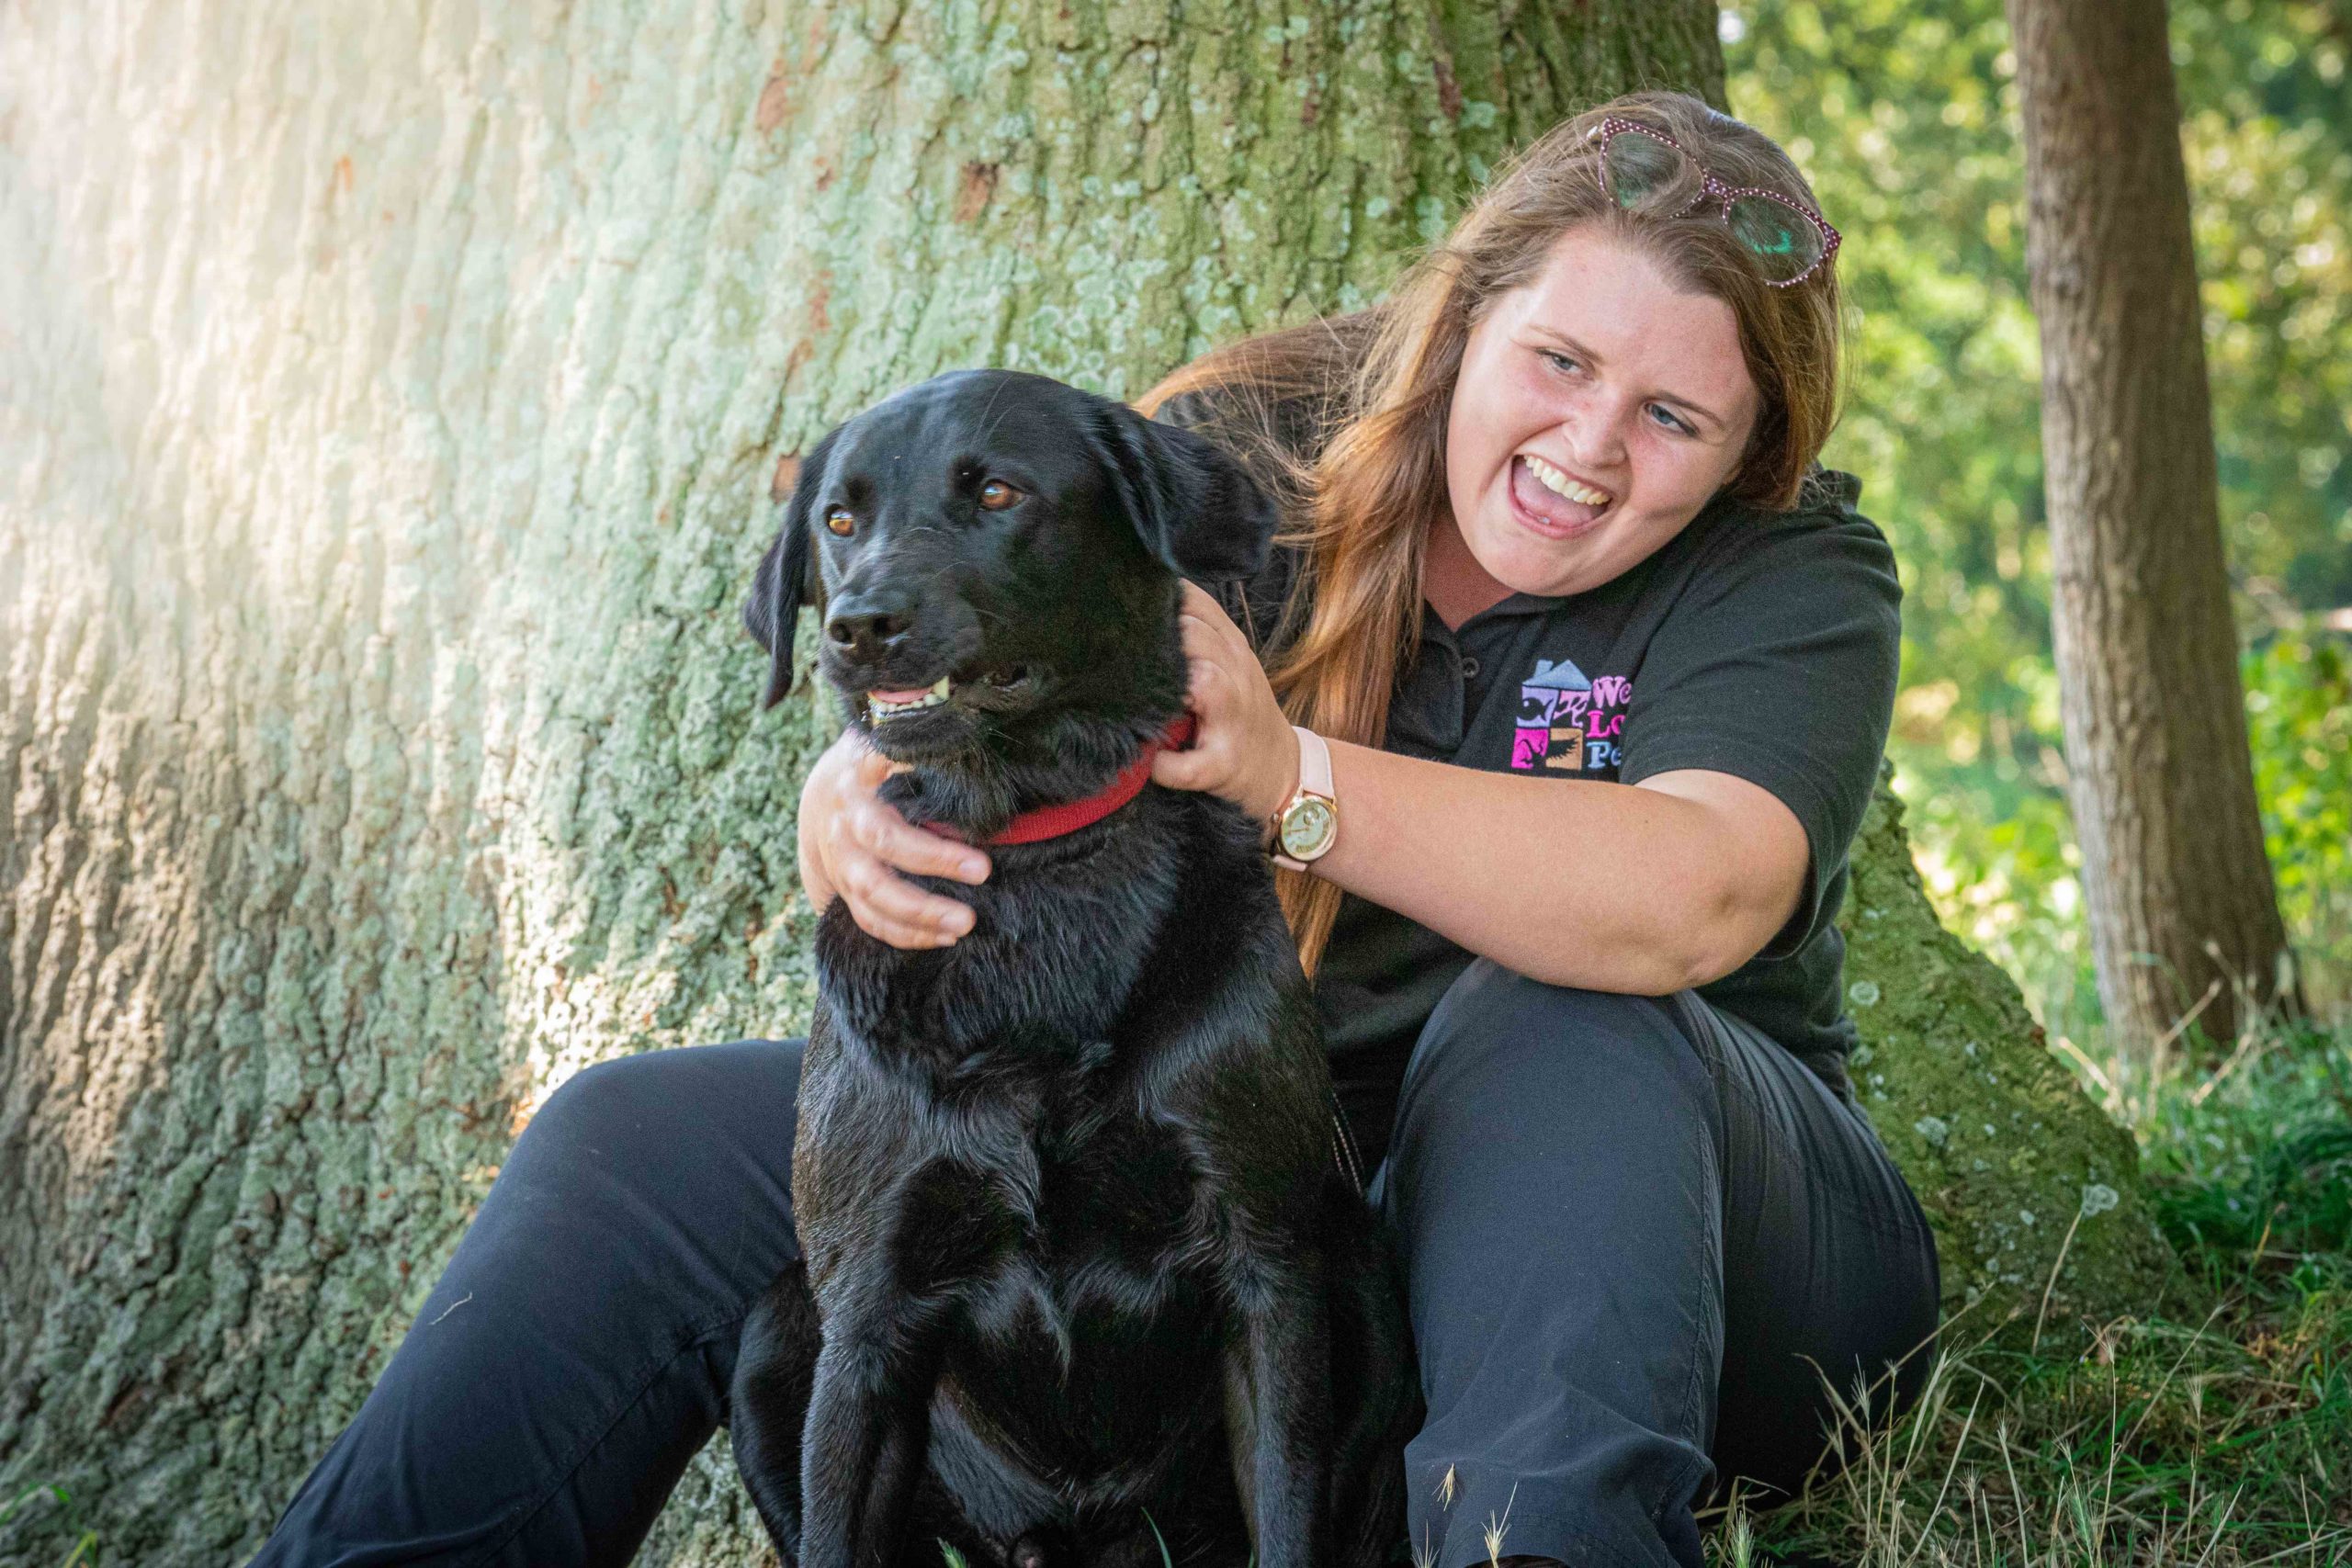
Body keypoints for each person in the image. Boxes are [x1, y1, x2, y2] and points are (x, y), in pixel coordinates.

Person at [252, 90, 1939, 1568]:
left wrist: (1292, 780)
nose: (1587, 445)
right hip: (1252, 1162)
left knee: (1560, 1006)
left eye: (1671, 419)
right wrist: (862, 777)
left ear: (1744, 458)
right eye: (1558, 362)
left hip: (1683, 1240)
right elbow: (983, 632)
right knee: (635, 1144)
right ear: (1459, 327)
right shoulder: (1237, 458)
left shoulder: (1787, 578)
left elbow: (1689, 902)